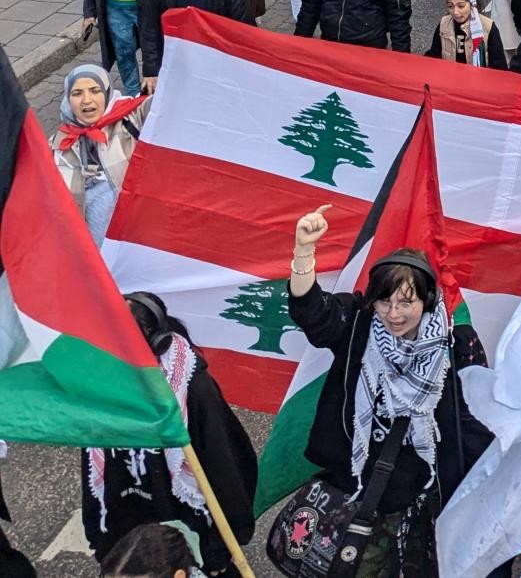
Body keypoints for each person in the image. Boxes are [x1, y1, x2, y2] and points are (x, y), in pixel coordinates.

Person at [285, 208, 493, 578]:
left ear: (427, 300)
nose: (393, 314)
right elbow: (314, 315)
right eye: (384, 302)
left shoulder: (455, 345)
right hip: (353, 489)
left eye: (406, 303)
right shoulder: (359, 326)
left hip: (417, 499)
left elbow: (475, 421)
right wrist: (304, 252)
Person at [81, 292, 257, 576]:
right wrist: (100, 539)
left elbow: (226, 466)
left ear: (154, 344)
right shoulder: (101, 390)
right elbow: (92, 466)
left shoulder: (191, 389)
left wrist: (222, 548)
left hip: (188, 540)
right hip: (130, 541)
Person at [54, 63, 148, 241]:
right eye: (77, 93)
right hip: (95, 250)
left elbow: (166, 105)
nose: (87, 100)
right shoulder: (57, 145)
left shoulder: (131, 119)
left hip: (136, 239)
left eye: (95, 90)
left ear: (107, 93)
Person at [426, 0, 506, 67]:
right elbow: (433, 57)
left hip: (479, 79)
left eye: (461, 6)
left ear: (471, 4)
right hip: (449, 77)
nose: (455, 12)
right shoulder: (443, 24)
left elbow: (499, 66)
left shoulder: (488, 27)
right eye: (450, 6)